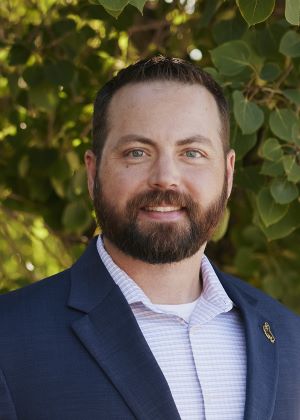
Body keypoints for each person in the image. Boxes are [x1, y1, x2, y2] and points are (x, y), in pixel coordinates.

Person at [0, 56, 299, 420]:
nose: (166, 178)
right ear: (93, 174)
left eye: (192, 153)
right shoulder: (10, 339)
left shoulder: (288, 337)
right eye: (137, 152)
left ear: (228, 172)